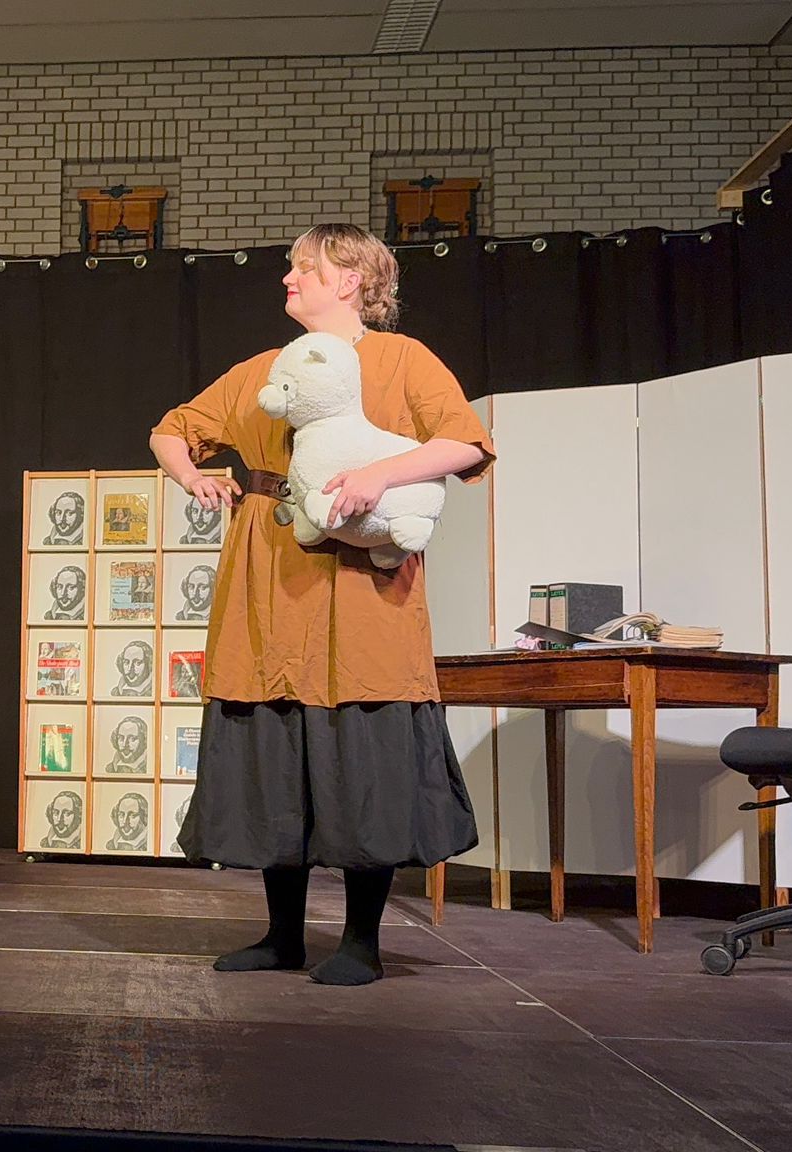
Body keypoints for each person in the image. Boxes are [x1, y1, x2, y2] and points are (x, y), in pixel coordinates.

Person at [149, 223, 493, 986]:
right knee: (278, 756)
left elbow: (466, 443)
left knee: (363, 751)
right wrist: (192, 475)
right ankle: (282, 936)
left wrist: (382, 476)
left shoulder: (401, 359)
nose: (289, 279)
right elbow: (171, 430)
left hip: (362, 581)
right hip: (271, 574)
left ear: (350, 279)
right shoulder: (263, 371)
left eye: (304, 267)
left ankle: (362, 942)